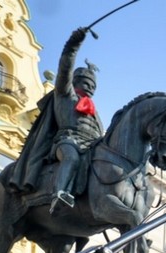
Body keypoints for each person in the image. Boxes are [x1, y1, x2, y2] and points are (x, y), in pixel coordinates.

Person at [9, 27, 103, 214]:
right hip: (67, 142)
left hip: (89, 148)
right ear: (75, 81)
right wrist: (73, 44)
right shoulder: (65, 94)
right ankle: (59, 195)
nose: (90, 88)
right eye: (86, 83)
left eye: (93, 86)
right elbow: (65, 66)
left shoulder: (94, 112)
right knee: (71, 158)